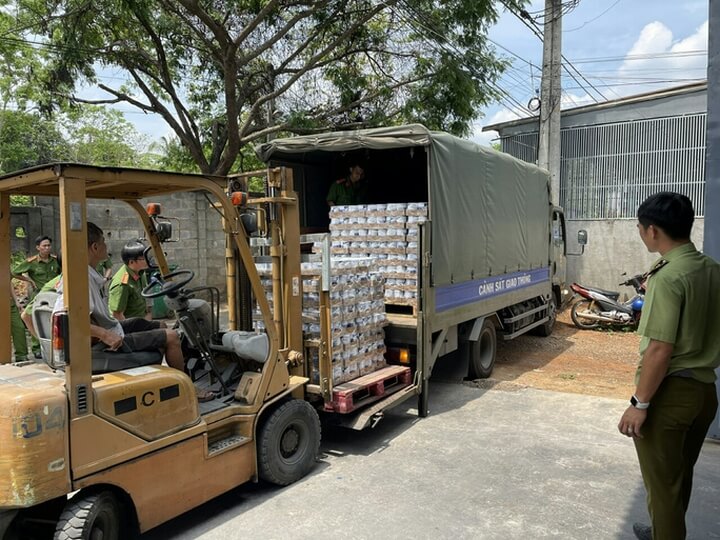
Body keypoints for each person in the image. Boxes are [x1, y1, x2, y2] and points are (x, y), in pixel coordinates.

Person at [617, 192, 720, 540]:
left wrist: (639, 404)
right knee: (678, 476)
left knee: (661, 487)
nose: (640, 232)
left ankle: (666, 530)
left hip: (670, 396)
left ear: (653, 231)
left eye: (640, 227)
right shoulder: (711, 269)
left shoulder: (668, 277)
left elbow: (660, 349)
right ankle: (663, 528)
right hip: (704, 393)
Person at [53, 222, 214, 401]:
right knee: (172, 337)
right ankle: (185, 388)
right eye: (104, 241)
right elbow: (70, 319)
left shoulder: (89, 273)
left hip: (110, 329)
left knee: (157, 325)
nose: (107, 245)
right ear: (95, 247)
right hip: (105, 343)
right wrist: (105, 335)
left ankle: (163, 377)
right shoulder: (79, 279)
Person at [12, 235, 61, 358]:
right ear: (38, 247)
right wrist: (29, 280)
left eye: (49, 245)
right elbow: (14, 272)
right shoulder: (32, 262)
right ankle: (36, 347)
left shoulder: (55, 260)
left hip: (54, 294)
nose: (47, 248)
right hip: (39, 295)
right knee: (36, 319)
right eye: (44, 246)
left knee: (54, 320)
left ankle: (54, 345)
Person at [108, 240, 156, 321]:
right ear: (131, 262)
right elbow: (117, 315)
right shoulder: (122, 284)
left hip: (142, 320)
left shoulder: (141, 272)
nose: (147, 260)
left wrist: (148, 319)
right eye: (143, 258)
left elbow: (147, 296)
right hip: (130, 327)